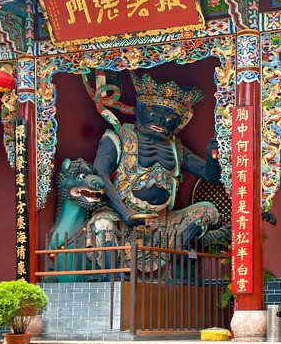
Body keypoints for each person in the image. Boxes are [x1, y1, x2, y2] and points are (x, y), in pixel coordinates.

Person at [93, 71, 221, 263]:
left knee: (207, 211)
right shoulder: (118, 138)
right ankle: (111, 274)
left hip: (162, 219)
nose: (160, 122)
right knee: (103, 223)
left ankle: (178, 253)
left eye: (168, 120)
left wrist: (213, 157)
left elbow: (211, 177)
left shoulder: (176, 148)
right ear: (140, 112)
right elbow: (99, 175)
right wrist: (126, 214)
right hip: (121, 213)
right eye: (154, 115)